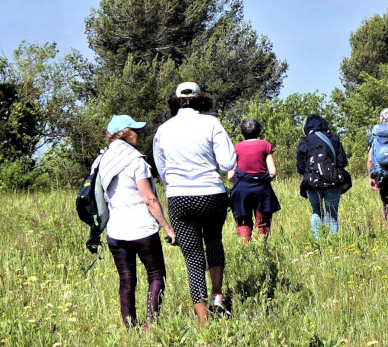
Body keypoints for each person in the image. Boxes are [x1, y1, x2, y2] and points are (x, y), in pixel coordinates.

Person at [153, 82, 236, 327]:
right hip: (211, 194)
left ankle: (203, 323)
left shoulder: (163, 130)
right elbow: (227, 162)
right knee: (213, 241)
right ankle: (217, 294)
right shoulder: (211, 124)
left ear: (175, 101)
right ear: (202, 99)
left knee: (192, 258)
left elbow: (162, 171)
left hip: (179, 197)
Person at [98, 114, 176, 329]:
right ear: (124, 133)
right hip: (142, 229)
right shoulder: (135, 160)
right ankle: (151, 324)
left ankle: (129, 327)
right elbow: (149, 199)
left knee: (126, 281)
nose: (138, 134)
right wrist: (168, 228)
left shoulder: (102, 160)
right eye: (135, 130)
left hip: (115, 231)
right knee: (156, 276)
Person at [296, 114, 350, 238]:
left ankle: (318, 243)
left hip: (312, 183)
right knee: (331, 215)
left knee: (316, 212)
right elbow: (342, 161)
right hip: (333, 182)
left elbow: (300, 166)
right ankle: (333, 245)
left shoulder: (304, 141)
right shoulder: (333, 138)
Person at [228, 118, 281, 242]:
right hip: (262, 191)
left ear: (242, 132)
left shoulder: (237, 148)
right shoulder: (265, 145)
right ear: (259, 130)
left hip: (241, 191)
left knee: (243, 221)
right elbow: (272, 172)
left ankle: (246, 250)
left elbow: (231, 175)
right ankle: (261, 250)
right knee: (263, 222)